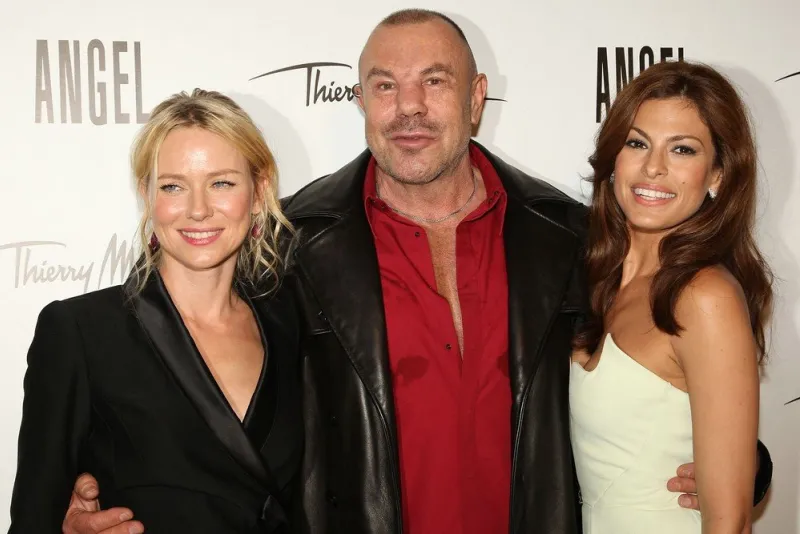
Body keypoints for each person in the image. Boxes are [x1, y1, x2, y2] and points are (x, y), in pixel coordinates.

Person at [59, 9, 772, 534]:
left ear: (476, 95)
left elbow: (641, 382)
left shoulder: (565, 236)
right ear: (361, 100)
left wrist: (740, 468)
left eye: (434, 81)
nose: (410, 108)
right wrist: (91, 488)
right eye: (385, 85)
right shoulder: (291, 243)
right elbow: (194, 381)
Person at [8, 89, 302, 533]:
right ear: (148, 196)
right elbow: (34, 519)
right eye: (173, 186)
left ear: (259, 193)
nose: (199, 209)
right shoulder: (80, 333)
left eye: (222, 182)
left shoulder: (290, 326)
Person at [570, 60, 773, 533]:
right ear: (614, 158)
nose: (654, 167)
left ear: (718, 174)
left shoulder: (705, 297)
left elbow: (730, 523)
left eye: (682, 149)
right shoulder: (597, 279)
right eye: (637, 143)